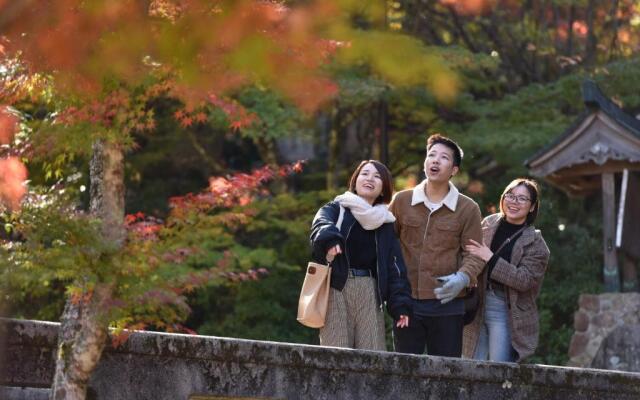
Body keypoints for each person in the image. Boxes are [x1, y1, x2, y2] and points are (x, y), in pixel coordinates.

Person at [389, 133, 484, 357]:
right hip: (407, 302)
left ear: (454, 170)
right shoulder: (401, 201)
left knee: (446, 375)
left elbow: (475, 254)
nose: (435, 160)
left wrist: (462, 278)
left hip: (448, 305)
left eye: (443, 157)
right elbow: (386, 245)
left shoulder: (467, 208)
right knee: (404, 371)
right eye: (431, 155)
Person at [310, 160, 412, 350]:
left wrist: (401, 306)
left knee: (373, 356)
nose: (369, 179)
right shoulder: (336, 209)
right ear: (355, 180)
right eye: (365, 174)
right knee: (336, 353)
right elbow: (320, 224)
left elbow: (394, 268)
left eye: (377, 176)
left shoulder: (385, 222)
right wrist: (331, 240)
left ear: (383, 188)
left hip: (370, 292)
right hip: (337, 287)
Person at [462, 178, 550, 362]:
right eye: (510, 195)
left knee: (498, 370)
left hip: (504, 309)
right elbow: (470, 254)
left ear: (532, 207)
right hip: (477, 304)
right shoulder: (488, 223)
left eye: (522, 199)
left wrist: (491, 258)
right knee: (470, 365)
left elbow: (524, 280)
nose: (513, 202)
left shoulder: (536, 243)